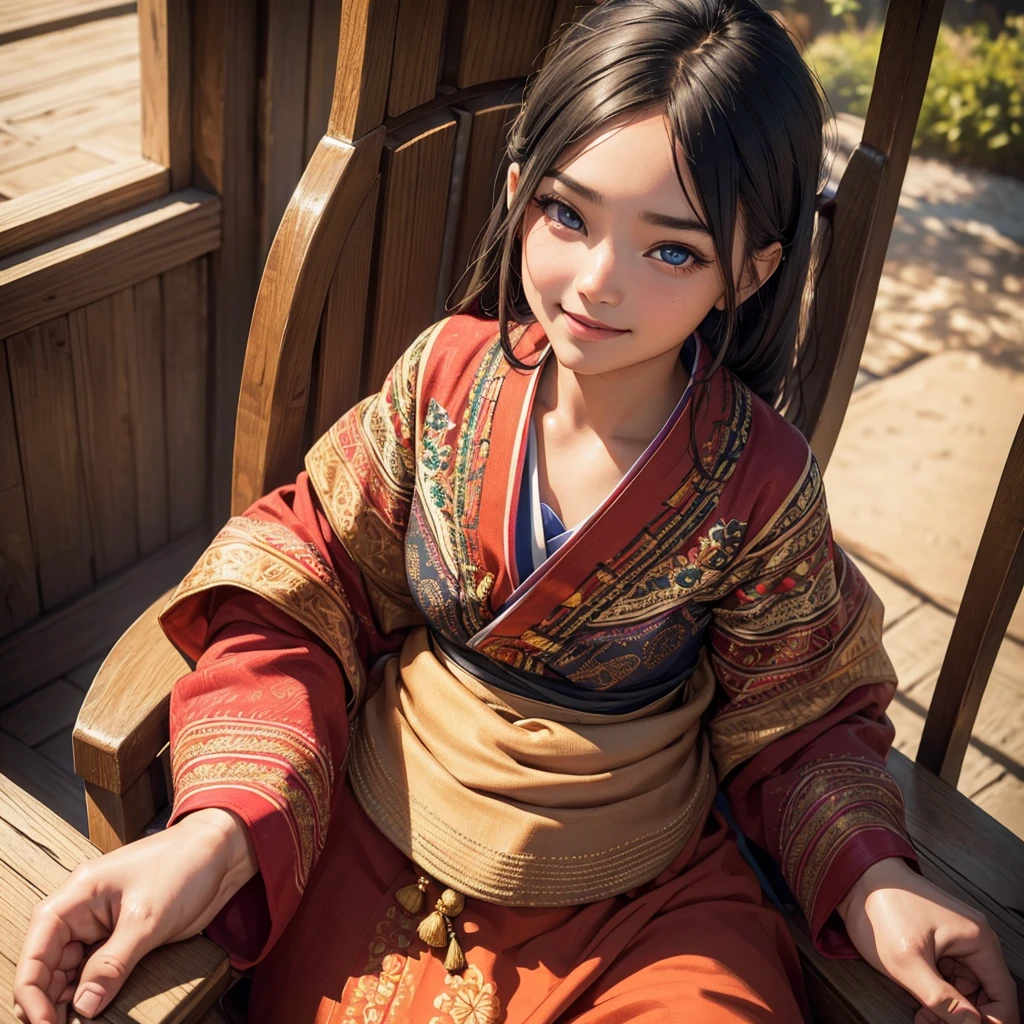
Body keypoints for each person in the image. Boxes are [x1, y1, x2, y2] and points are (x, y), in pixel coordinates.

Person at [14, 0, 1019, 1021]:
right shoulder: (441, 377)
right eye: (567, 215)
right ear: (517, 190)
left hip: (641, 891)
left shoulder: (760, 484)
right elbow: (300, 580)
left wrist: (870, 876)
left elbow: (797, 717)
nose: (596, 282)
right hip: (387, 812)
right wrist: (221, 826)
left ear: (750, 271)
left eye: (671, 251)